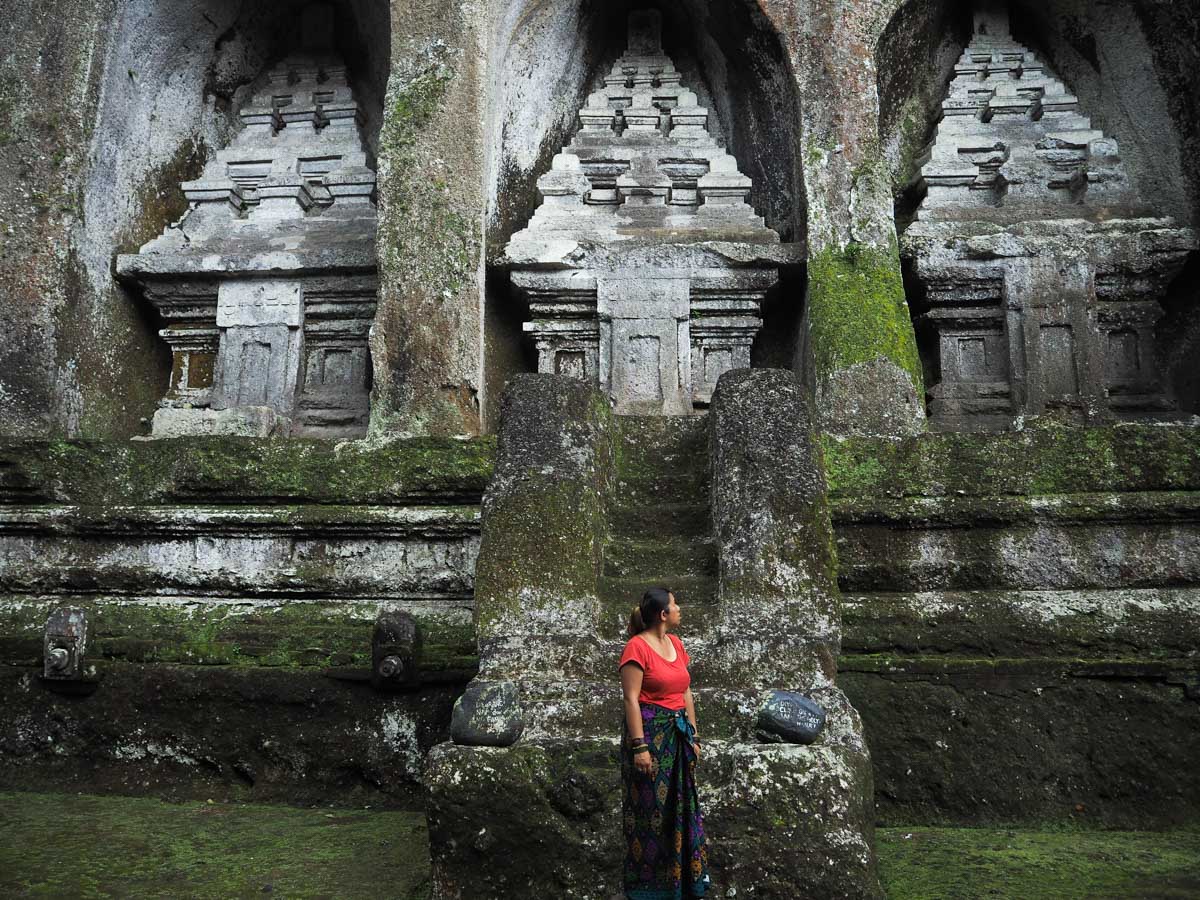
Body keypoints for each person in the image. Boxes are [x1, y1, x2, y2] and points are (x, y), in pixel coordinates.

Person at [619, 587, 710, 899]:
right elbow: (631, 699)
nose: (679, 608)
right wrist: (639, 746)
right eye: (675, 604)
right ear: (662, 614)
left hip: (677, 736)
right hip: (650, 736)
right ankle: (648, 890)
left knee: (681, 808)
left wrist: (694, 735)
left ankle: (683, 884)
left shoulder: (676, 644)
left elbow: (685, 692)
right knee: (651, 812)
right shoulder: (636, 648)